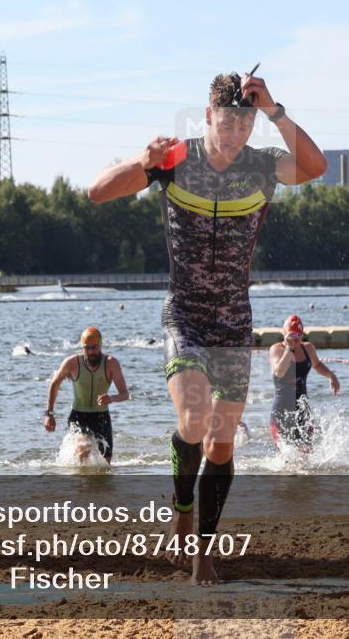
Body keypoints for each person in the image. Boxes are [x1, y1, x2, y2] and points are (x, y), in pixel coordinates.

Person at [88, 68, 326, 584]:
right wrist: (141, 162)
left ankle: (203, 552)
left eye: (244, 126)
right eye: (226, 124)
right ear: (208, 117)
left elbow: (315, 166)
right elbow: (97, 192)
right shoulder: (176, 158)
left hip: (234, 320)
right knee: (194, 420)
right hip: (187, 316)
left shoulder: (262, 167)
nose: (235, 135)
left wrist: (276, 112)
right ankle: (181, 511)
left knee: (221, 443)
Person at [43, 327, 129, 463]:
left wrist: (111, 398)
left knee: (106, 465)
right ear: (82, 347)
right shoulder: (72, 363)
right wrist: (49, 414)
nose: (91, 352)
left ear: (100, 346)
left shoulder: (111, 363)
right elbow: (54, 383)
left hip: (102, 418)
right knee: (83, 448)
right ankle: (81, 483)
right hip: (79, 415)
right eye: (87, 348)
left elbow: (125, 394)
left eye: (94, 347)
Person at [268, 314, 340, 451]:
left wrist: (331, 376)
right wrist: (289, 349)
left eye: (298, 336)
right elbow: (279, 372)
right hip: (282, 411)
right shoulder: (276, 350)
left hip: (303, 410)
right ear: (283, 333)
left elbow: (317, 365)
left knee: (306, 454)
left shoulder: (308, 348)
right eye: (291, 335)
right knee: (286, 457)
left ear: (302, 335)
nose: (295, 340)